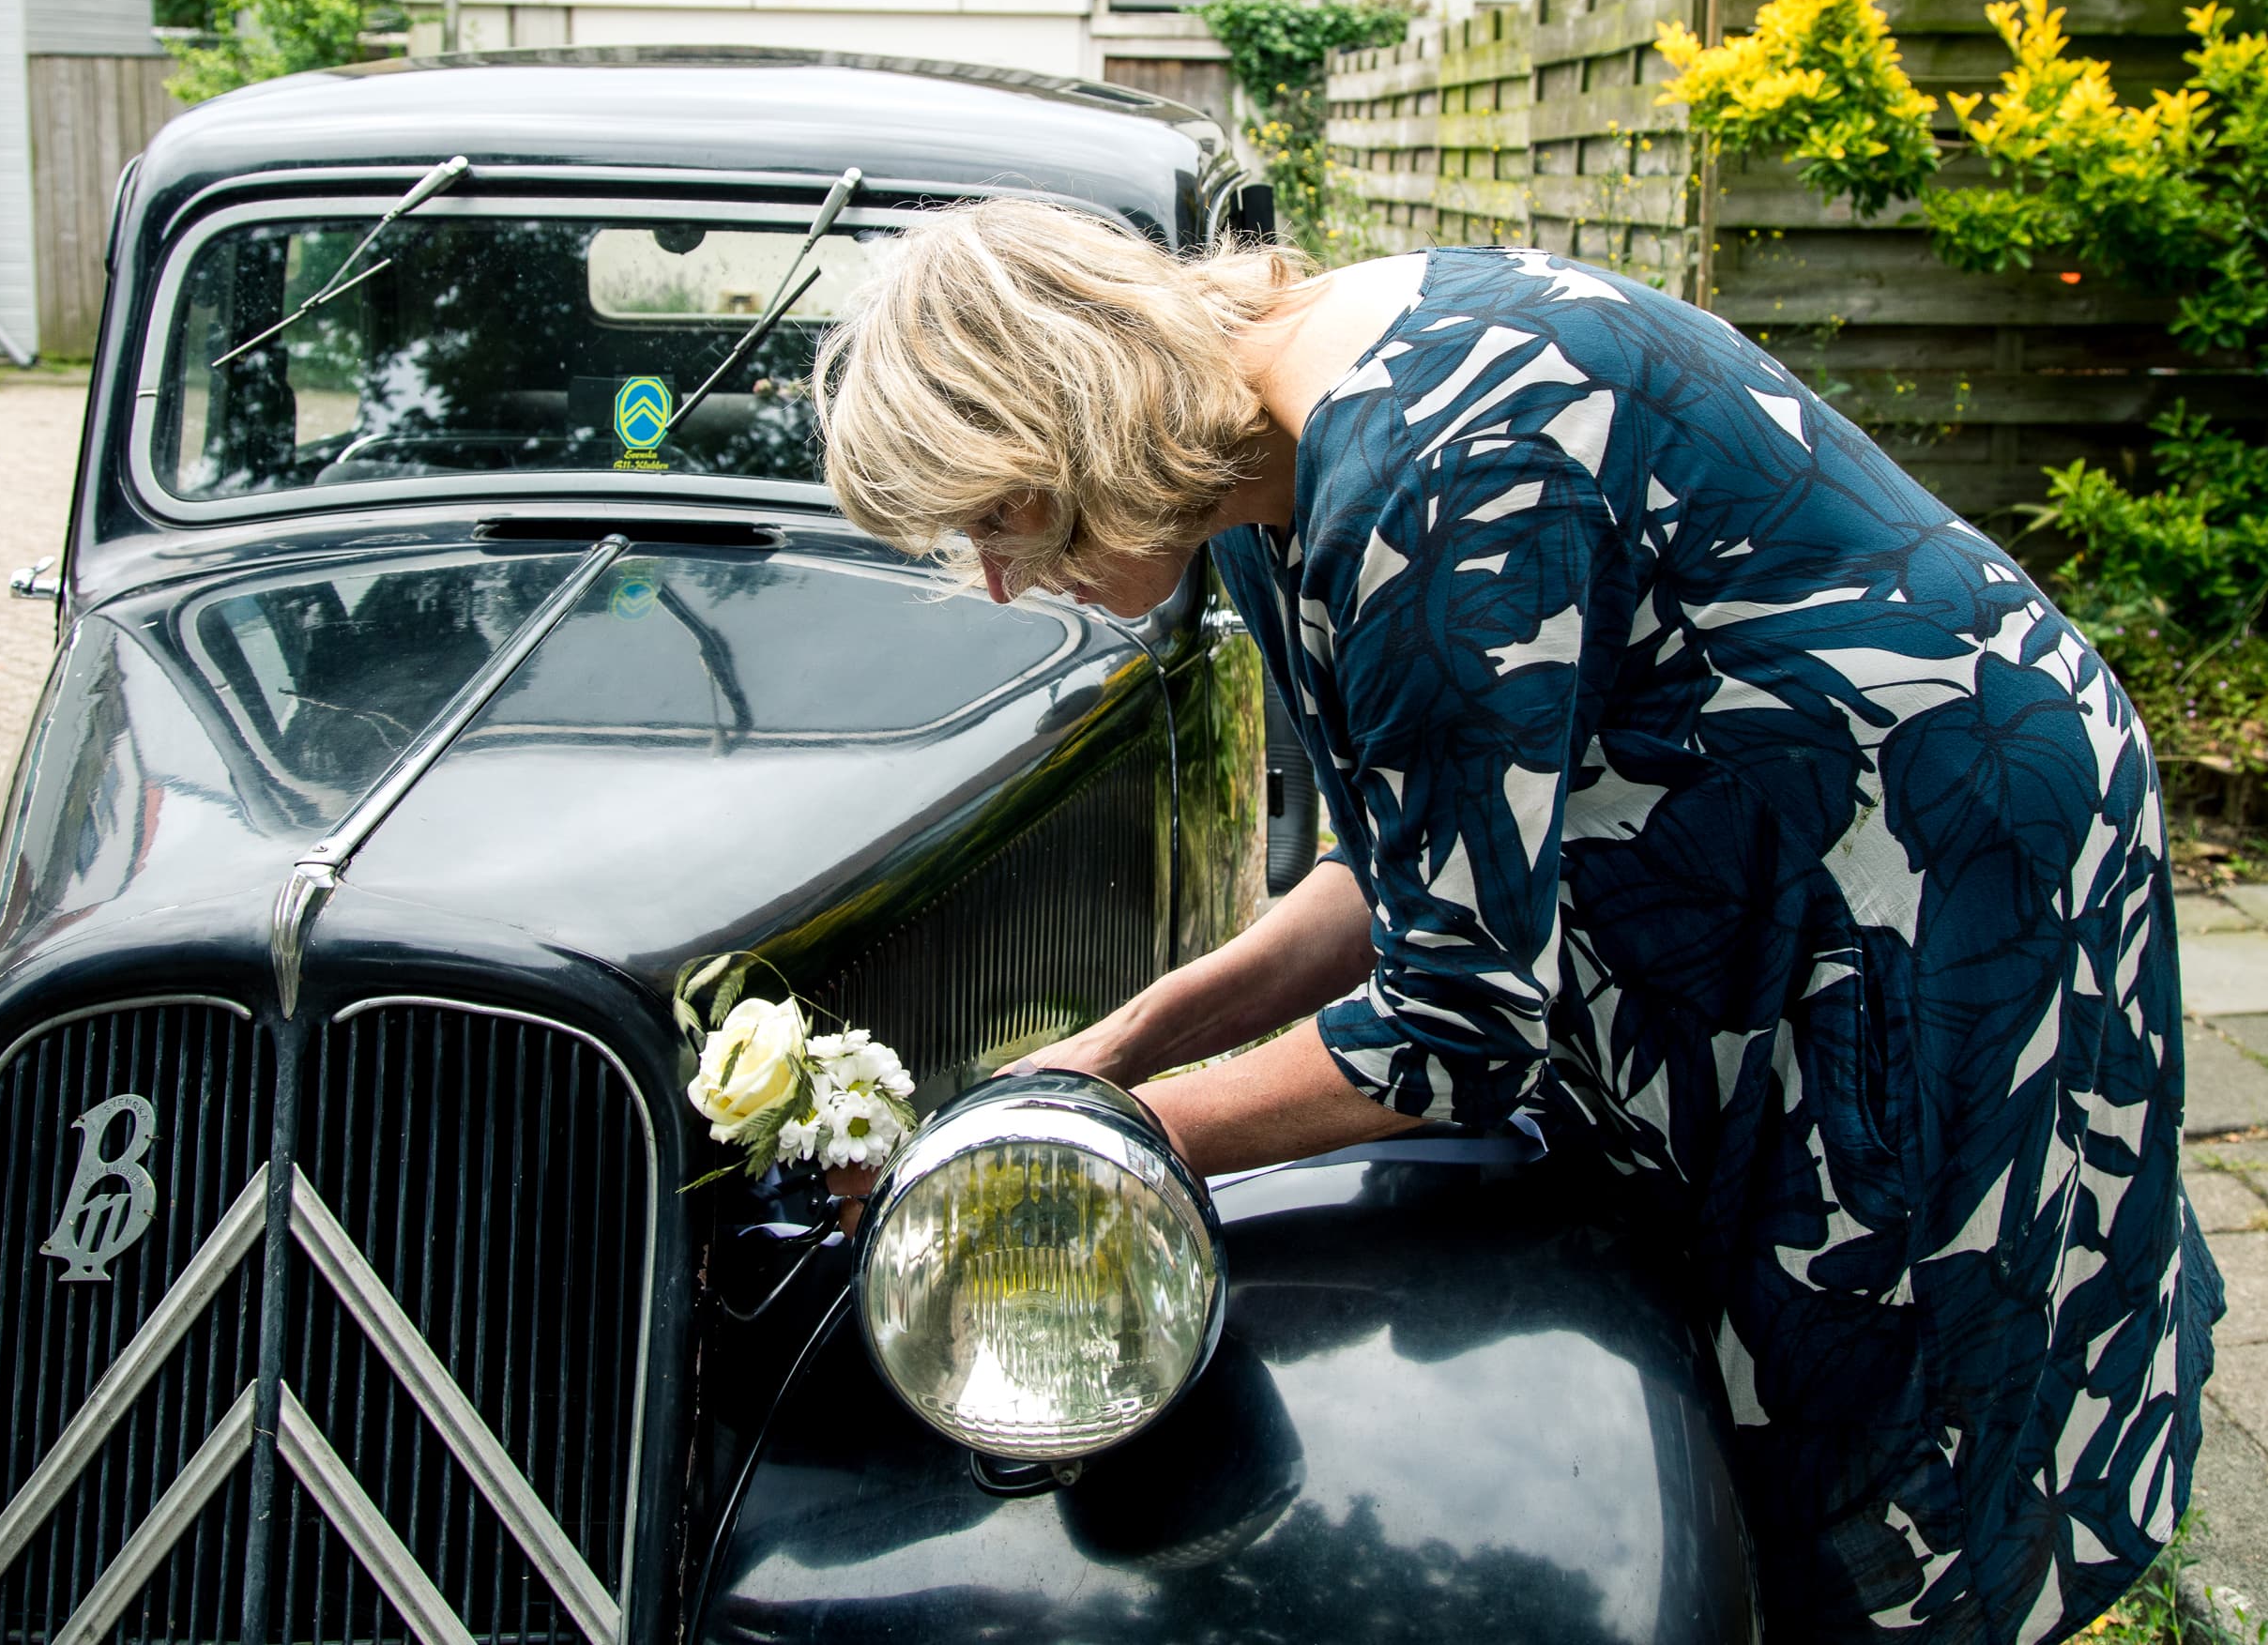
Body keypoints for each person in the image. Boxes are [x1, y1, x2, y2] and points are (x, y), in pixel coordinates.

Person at [809, 198, 2220, 1645]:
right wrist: (1103, 1058)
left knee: (1880, 1341)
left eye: (998, 516)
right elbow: (1395, 873)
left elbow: (1457, 1035)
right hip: (1762, 830)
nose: (995, 577)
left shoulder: (1434, 476)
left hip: (1932, 858)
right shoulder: (1253, 477)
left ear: (1079, 424)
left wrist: (1079, 1164)